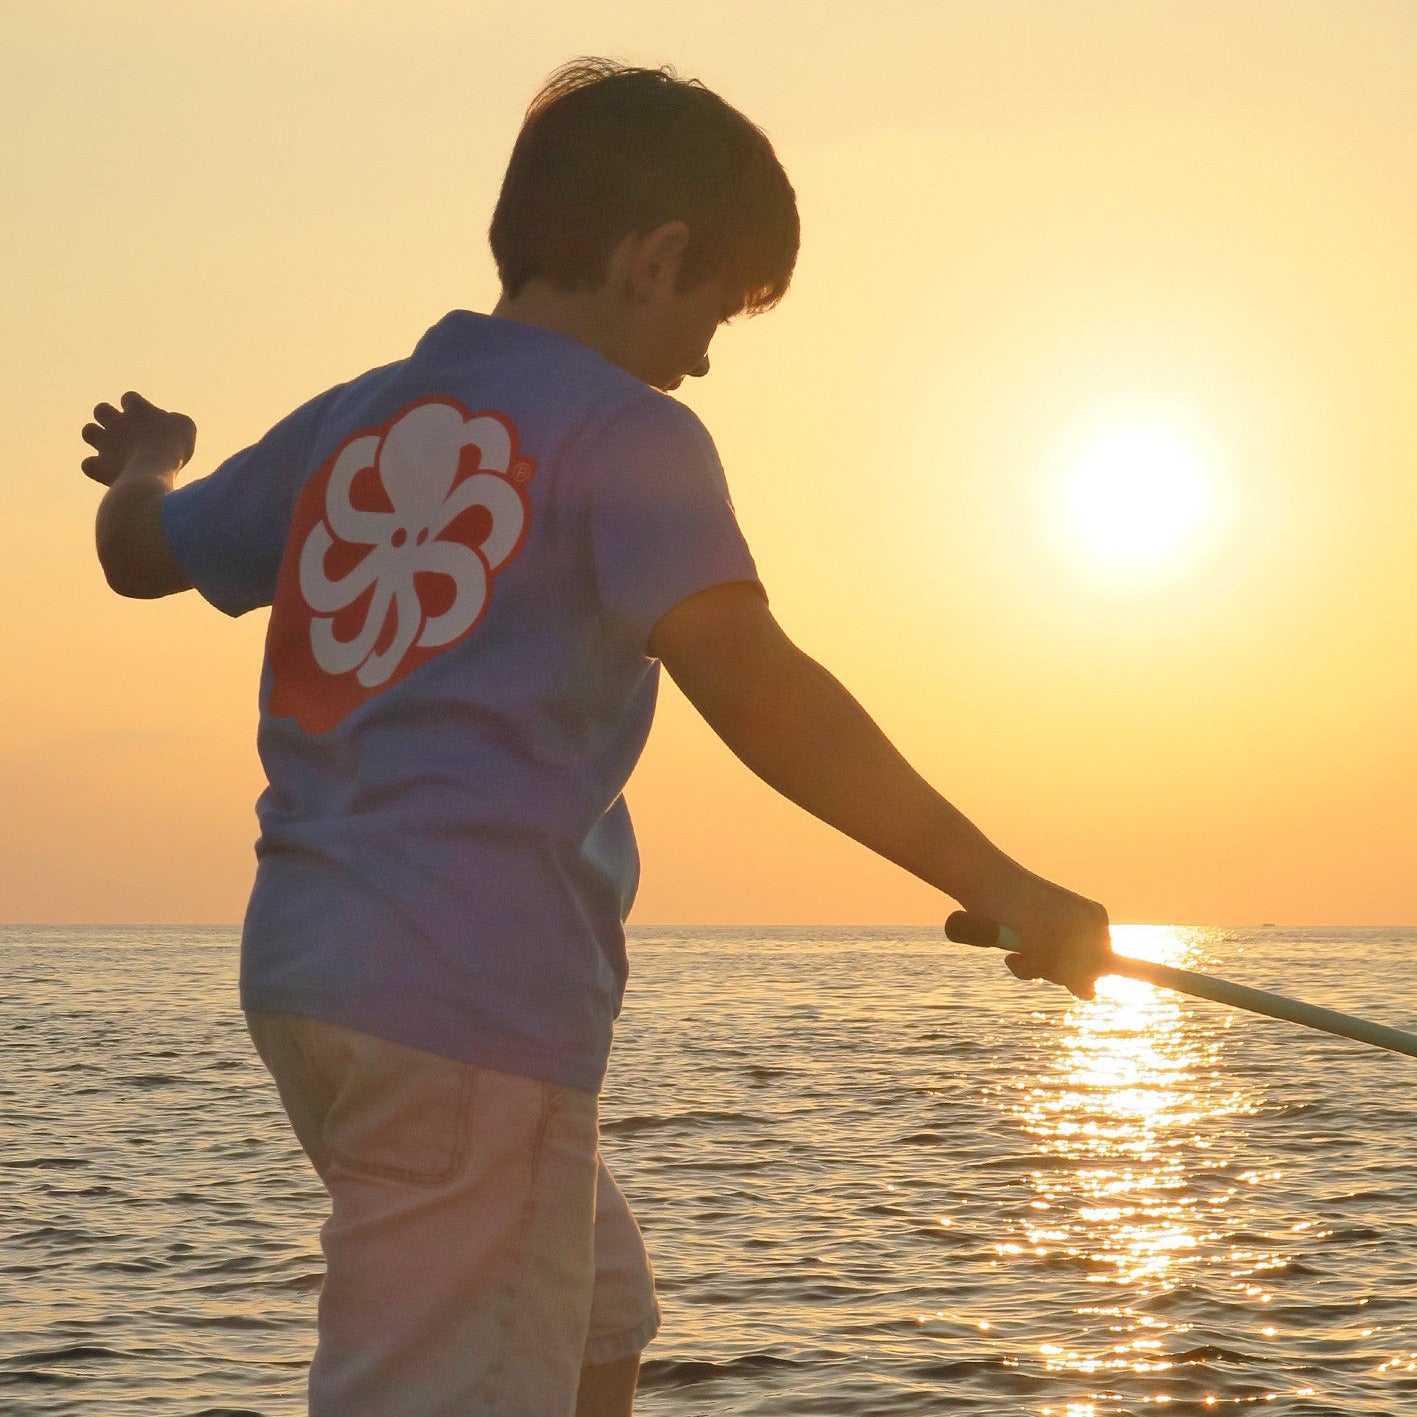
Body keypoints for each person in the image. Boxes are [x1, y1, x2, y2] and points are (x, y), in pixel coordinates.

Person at [81, 59, 1110, 1417]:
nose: (699, 359)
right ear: (656, 256)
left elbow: (140, 552)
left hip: (313, 979)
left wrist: (155, 456)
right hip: (466, 998)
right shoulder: (630, 434)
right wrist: (1003, 884)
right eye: (713, 317)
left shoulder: (356, 415)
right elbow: (760, 689)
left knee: (590, 1319)